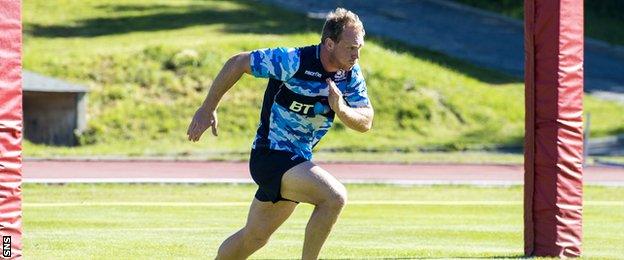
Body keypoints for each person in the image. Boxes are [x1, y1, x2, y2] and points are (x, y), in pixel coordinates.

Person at [187, 7, 373, 260]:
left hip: (297, 161)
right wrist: (207, 108)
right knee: (334, 198)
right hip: (270, 154)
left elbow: (365, 121)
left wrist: (340, 109)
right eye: (351, 47)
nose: (356, 54)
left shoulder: (350, 75)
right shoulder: (293, 60)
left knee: (254, 238)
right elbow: (239, 62)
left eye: (359, 47)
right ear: (330, 43)